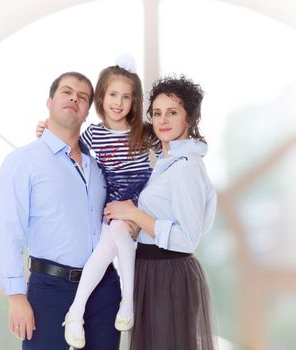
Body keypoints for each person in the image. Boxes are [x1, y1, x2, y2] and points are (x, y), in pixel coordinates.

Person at [0, 72, 122, 350]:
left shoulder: (99, 166)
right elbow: (9, 230)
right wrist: (16, 296)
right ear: (50, 102)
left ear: (88, 110)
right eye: (67, 92)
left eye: (83, 96)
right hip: (49, 290)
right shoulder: (23, 161)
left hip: (103, 290)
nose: (74, 98)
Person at [35, 63, 152, 348]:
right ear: (101, 98)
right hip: (110, 208)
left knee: (120, 233)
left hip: (135, 205)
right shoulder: (92, 136)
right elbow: (67, 146)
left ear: (134, 101)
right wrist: (44, 131)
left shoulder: (144, 133)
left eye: (126, 97)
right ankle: (83, 312)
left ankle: (117, 302)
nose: (119, 103)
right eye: (113, 95)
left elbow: (170, 149)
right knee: (103, 250)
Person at [104, 75, 217, 350]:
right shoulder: (168, 163)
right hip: (152, 271)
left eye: (172, 112)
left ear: (189, 118)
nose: (162, 120)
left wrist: (134, 214)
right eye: (156, 113)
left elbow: (187, 238)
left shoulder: (186, 167)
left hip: (168, 275)